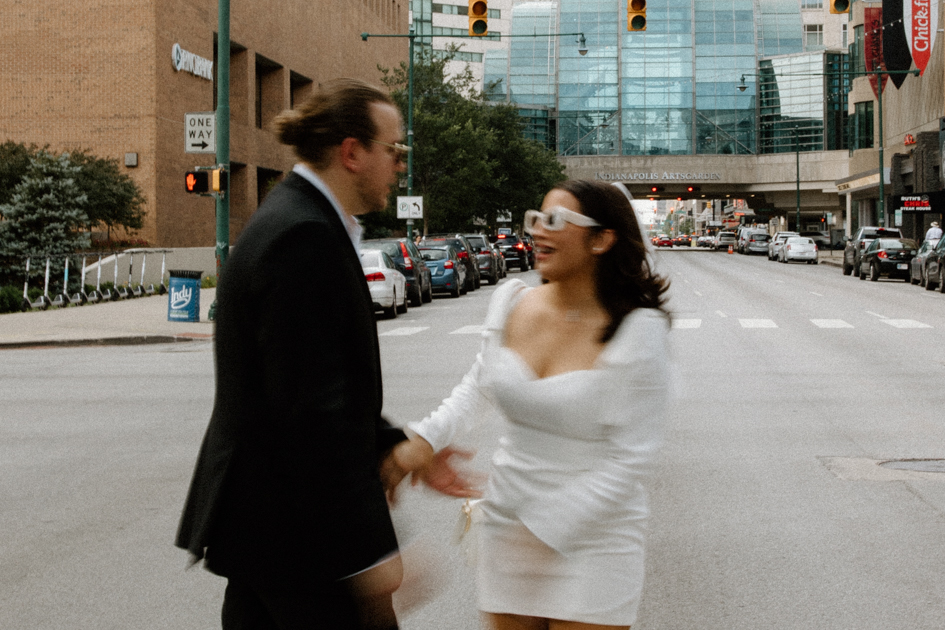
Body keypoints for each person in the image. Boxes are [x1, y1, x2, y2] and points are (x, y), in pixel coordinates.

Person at [175, 78, 436, 630]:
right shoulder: (303, 236)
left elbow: (310, 383)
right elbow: (310, 411)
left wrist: (393, 445)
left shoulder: (300, 219)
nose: (399, 165)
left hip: (273, 535)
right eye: (394, 150)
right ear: (351, 152)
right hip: (301, 544)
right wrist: (372, 555)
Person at [392, 179, 673, 630]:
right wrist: (423, 439)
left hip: (596, 535)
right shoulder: (510, 301)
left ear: (601, 239)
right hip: (508, 520)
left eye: (557, 220)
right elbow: (477, 387)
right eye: (536, 218)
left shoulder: (640, 330)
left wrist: (547, 529)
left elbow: (632, 457)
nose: (539, 230)